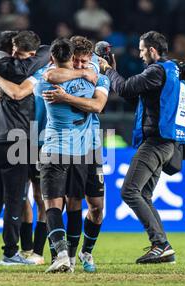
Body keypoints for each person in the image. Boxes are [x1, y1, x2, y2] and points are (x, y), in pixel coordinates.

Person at [99, 31, 185, 264]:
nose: (139, 55)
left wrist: (108, 70)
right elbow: (136, 94)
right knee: (144, 194)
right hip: (167, 142)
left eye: (142, 50)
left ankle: (160, 244)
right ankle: (162, 246)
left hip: (156, 142)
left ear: (152, 50)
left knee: (129, 191)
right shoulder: (172, 70)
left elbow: (126, 88)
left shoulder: (156, 70)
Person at [0, 30, 49, 266]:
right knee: (16, 198)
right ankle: (10, 252)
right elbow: (19, 92)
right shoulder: (18, 69)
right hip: (16, 138)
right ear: (11, 48)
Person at [42, 36, 110, 273]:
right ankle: (62, 257)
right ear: (69, 59)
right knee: (65, 203)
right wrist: (80, 76)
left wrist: (66, 97)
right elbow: (50, 75)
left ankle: (84, 252)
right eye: (75, 61)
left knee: (95, 207)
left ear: (90, 59)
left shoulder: (99, 75)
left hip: (90, 147)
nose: (80, 65)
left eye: (83, 62)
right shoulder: (66, 74)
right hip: (69, 147)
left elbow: (98, 106)